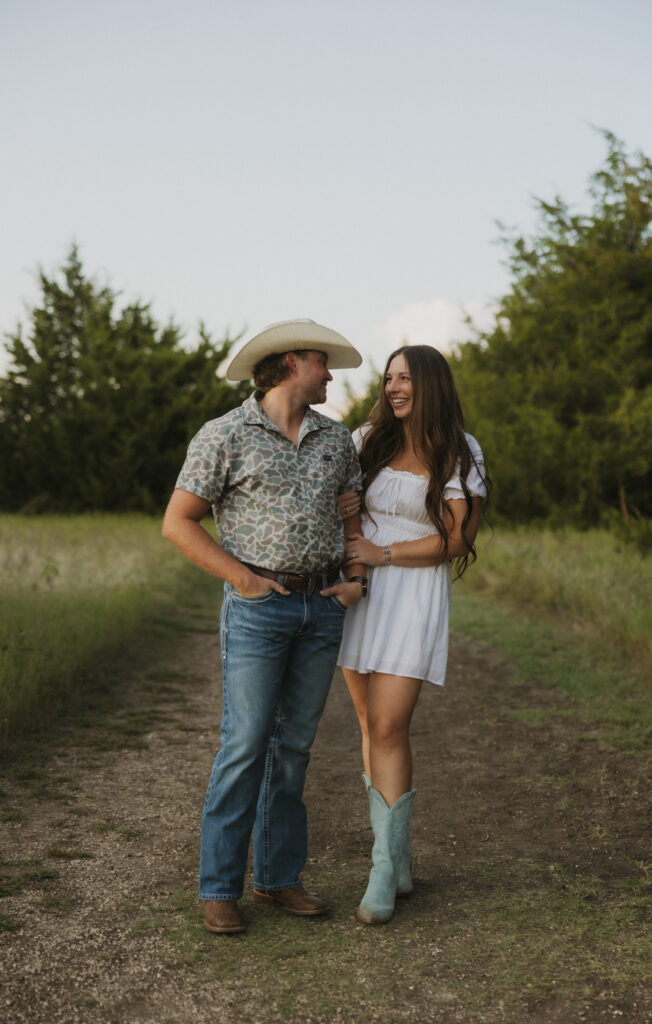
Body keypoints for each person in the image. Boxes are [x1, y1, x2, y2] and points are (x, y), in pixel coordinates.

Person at [162, 318, 368, 935]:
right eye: (321, 361)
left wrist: (356, 581)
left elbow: (353, 519)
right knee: (246, 743)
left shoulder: (336, 442)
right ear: (288, 363)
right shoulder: (224, 435)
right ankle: (220, 888)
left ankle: (278, 879)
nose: (331, 373)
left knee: (295, 747)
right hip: (258, 608)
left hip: (323, 606)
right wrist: (247, 581)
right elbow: (179, 523)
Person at [336, 344, 488, 925]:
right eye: (390, 377)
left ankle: (381, 868)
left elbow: (456, 540)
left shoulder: (459, 449)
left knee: (389, 724)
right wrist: (350, 528)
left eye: (407, 378)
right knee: (367, 725)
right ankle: (395, 859)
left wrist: (385, 552)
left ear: (431, 385)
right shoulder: (365, 438)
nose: (395, 387)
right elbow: (341, 506)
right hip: (360, 592)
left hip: (411, 591)